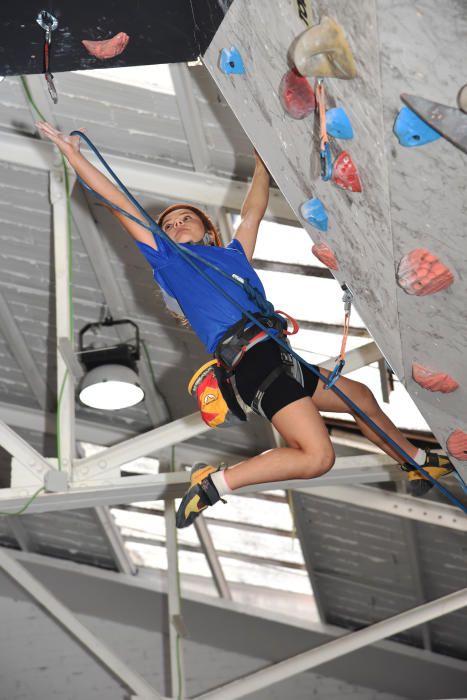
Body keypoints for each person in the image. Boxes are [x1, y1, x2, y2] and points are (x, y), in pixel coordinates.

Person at [37, 121, 454, 528]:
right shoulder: (170, 262)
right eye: (168, 225)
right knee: (317, 457)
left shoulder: (234, 256)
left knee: (360, 397)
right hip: (252, 364)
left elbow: (252, 214)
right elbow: (120, 205)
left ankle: (415, 462)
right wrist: (75, 157)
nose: (176, 225)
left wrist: (261, 166)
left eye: (186, 220)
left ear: (208, 231)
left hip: (277, 355)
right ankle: (215, 483)